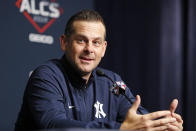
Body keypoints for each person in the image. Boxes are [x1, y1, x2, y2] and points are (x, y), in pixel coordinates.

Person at [15, 9, 183, 131]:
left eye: (96, 42)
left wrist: (162, 125)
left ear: (103, 48)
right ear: (64, 42)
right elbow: (54, 125)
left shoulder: (112, 82)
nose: (89, 49)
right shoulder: (46, 76)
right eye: (81, 41)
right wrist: (120, 129)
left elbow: (137, 119)